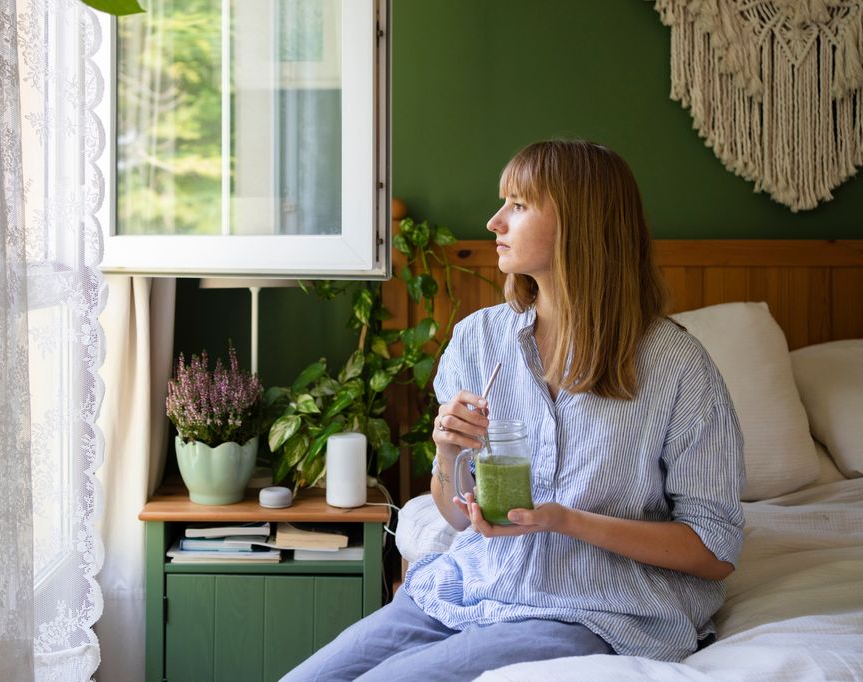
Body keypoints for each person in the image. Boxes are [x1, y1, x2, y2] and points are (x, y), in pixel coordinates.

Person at [281, 140, 745, 681]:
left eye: (518, 205)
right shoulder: (478, 340)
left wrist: (564, 521)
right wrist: (449, 451)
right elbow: (458, 517)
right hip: (470, 587)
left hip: (590, 609)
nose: (494, 221)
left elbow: (714, 550)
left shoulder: (678, 367)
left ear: (581, 224)